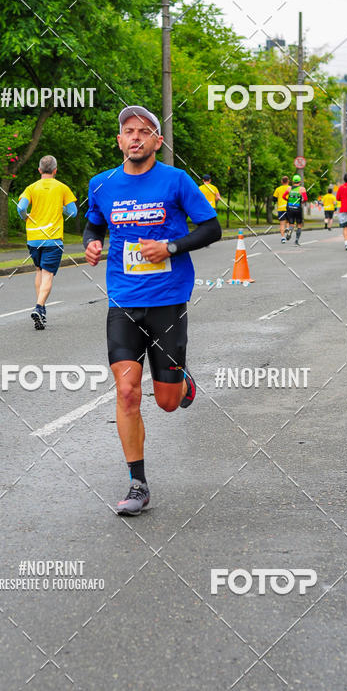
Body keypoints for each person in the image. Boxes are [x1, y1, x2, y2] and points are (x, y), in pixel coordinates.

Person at [83, 105, 221, 516]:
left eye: (145, 131)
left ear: (158, 141)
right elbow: (94, 223)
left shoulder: (176, 181)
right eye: (129, 131)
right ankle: (137, 483)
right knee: (127, 392)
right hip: (123, 300)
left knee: (166, 402)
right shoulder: (102, 184)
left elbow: (211, 227)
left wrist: (170, 247)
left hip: (168, 300)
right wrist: (91, 242)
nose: (136, 137)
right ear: (119, 140)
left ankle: (182, 382)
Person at [17, 155, 77, 330]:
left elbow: (21, 207)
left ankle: (41, 310)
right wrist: (60, 207)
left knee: (39, 270)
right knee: (48, 274)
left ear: (39, 170)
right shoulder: (62, 188)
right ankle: (38, 307)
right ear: (55, 170)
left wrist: (25, 217)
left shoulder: (31, 188)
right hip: (53, 238)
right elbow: (73, 212)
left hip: (34, 238)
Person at [283, 175, 308, 245]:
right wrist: (301, 201)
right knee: (299, 224)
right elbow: (305, 198)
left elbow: (283, 196)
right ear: (300, 181)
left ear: (293, 181)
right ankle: (296, 240)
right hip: (297, 208)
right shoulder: (302, 189)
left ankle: (289, 234)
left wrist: (288, 200)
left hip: (290, 208)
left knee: (291, 224)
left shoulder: (289, 188)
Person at [272, 175, 290, 242]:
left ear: (281, 181)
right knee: (288, 222)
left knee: (282, 224)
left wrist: (277, 201)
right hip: (289, 208)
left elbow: (274, 199)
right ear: (288, 181)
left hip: (281, 209)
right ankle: (288, 229)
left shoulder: (278, 189)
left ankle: (283, 238)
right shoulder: (291, 188)